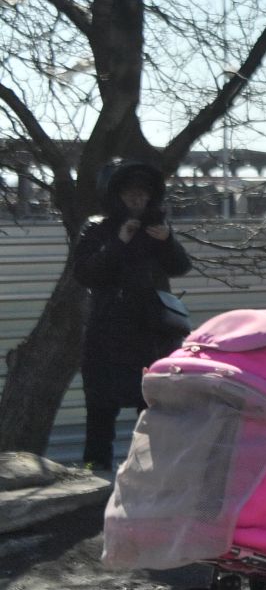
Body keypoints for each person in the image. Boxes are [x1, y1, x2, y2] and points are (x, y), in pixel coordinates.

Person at [73, 161, 192, 471]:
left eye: (143, 195)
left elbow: (180, 266)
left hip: (149, 337)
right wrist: (119, 241)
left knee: (151, 415)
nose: (137, 201)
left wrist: (166, 239)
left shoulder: (157, 228)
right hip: (106, 335)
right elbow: (85, 272)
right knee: (100, 413)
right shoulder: (98, 228)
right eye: (131, 195)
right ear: (117, 196)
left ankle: (147, 484)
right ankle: (93, 481)